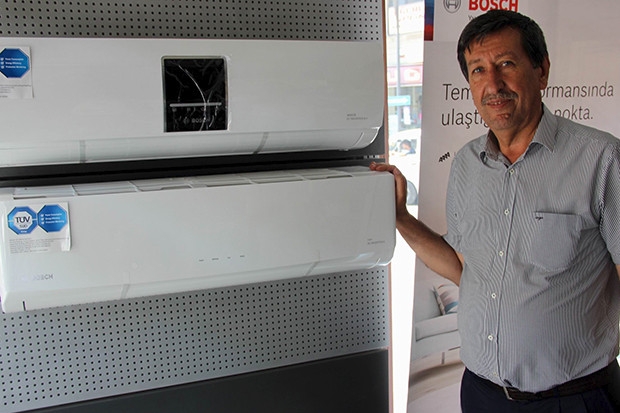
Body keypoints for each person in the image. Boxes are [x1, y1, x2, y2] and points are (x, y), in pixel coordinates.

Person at [371, 9, 620, 413]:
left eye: (506, 64)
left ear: (541, 71)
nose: (493, 84)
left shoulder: (600, 158)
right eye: (478, 70)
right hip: (482, 395)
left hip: (574, 400)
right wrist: (400, 216)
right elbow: (463, 267)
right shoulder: (467, 164)